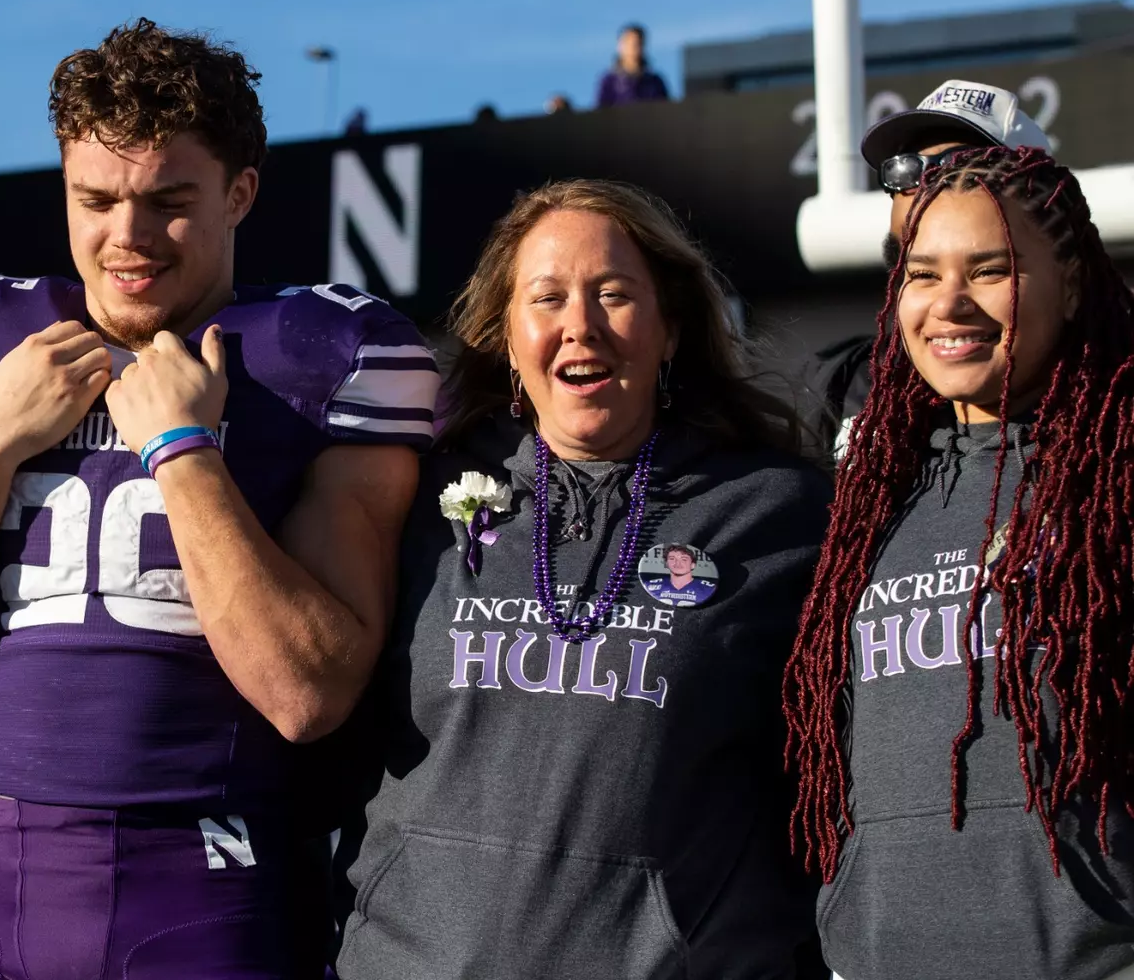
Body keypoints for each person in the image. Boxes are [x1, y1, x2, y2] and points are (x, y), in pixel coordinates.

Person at [0, 19, 439, 979]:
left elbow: (307, 691)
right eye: (97, 199)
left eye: (168, 201)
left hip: (214, 872)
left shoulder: (324, 354)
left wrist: (183, 448)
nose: (128, 236)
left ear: (240, 192)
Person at [333, 179, 831, 979]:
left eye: (613, 294)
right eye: (547, 298)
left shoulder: (782, 515)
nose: (580, 326)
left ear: (670, 328)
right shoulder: (417, 505)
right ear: (504, 333)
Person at [785, 146, 1134, 979]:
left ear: (1074, 284)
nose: (950, 304)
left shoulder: (1118, 475)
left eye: (990, 270)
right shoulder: (865, 498)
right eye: (922, 273)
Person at [804, 79, 1049, 457]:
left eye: (963, 164)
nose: (927, 184)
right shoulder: (847, 386)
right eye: (906, 169)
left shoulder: (1107, 405)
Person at [595, 23, 670, 108]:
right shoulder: (609, 82)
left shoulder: (655, 82)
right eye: (629, 43)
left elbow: (666, 112)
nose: (633, 48)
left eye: (637, 44)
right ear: (620, 46)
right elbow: (602, 113)